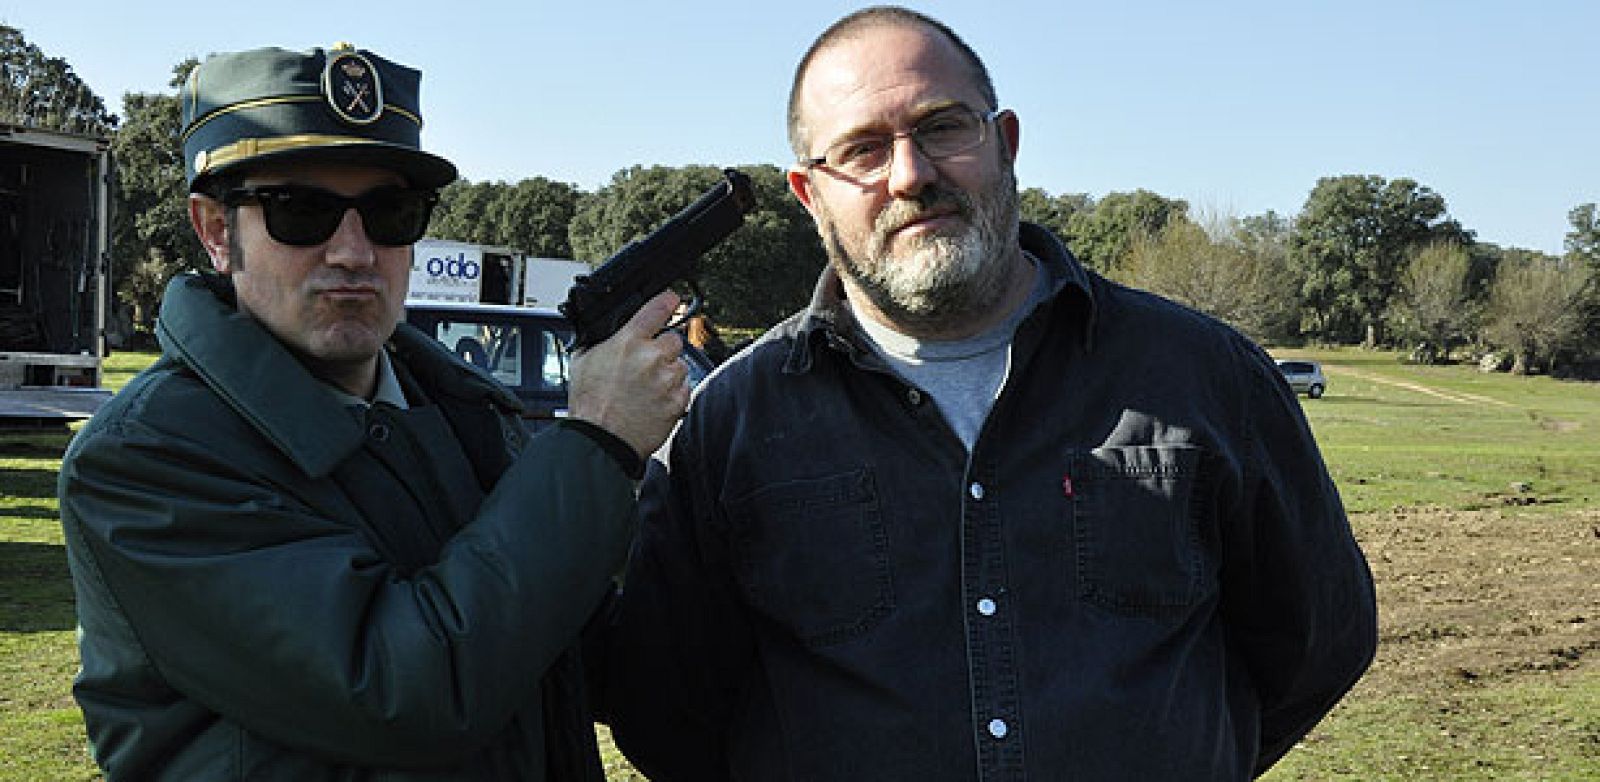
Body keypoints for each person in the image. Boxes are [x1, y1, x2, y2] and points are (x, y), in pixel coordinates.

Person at [600, 7, 1378, 780]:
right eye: (864, 150)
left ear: (1003, 143)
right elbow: (666, 707)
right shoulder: (730, 424)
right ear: (811, 195)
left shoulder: (1209, 376)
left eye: (943, 128)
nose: (911, 174)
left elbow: (1318, 643)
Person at [57, 43, 688, 780]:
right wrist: (599, 442)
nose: (355, 252)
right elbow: (405, 691)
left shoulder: (462, 412)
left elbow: (580, 650)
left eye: (391, 212)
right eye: (302, 211)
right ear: (216, 231)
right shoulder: (142, 462)